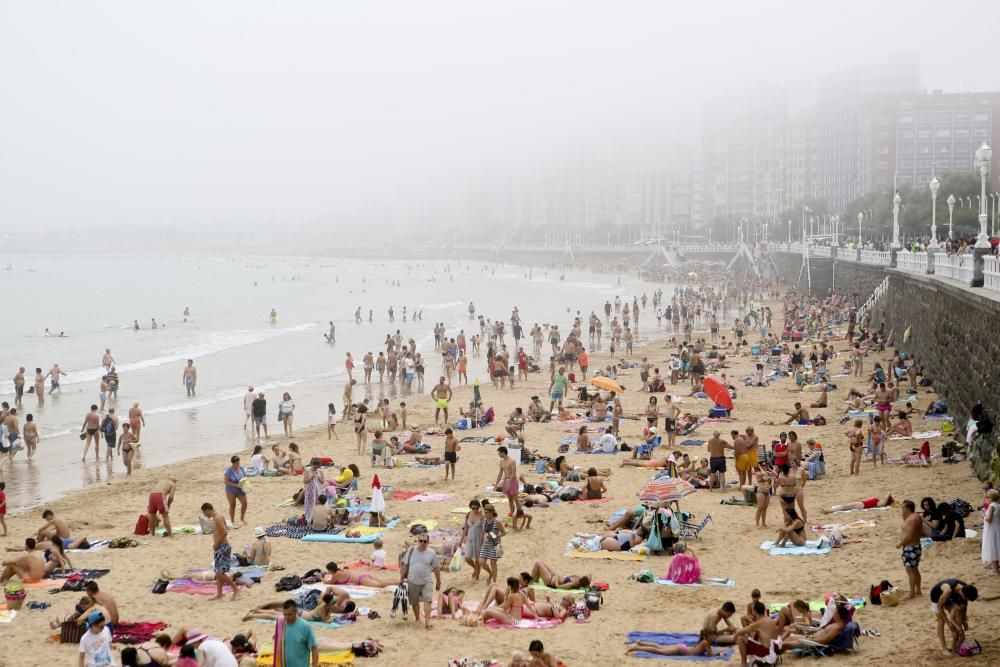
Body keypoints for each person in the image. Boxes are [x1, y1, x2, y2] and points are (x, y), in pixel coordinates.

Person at [400, 531, 441, 629]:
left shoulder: (432, 553)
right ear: (417, 541)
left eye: (425, 541)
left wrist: (438, 581)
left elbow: (436, 568)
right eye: (420, 541)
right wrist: (401, 578)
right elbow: (405, 565)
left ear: (428, 542)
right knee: (415, 602)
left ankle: (427, 622)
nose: (422, 543)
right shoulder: (411, 550)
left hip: (427, 580)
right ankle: (417, 618)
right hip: (412, 580)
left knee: (428, 600)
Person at [201, 502, 239, 600]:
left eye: (204, 513)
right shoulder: (217, 517)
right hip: (220, 547)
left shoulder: (217, 518)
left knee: (221, 573)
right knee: (217, 572)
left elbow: (224, 532)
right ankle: (219, 594)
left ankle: (236, 589)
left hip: (223, 547)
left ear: (207, 510)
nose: (205, 515)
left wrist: (216, 543)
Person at [930, 579, 978, 655]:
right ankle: (944, 649)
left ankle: (955, 644)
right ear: (963, 595)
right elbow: (939, 606)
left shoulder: (966, 587)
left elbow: (965, 606)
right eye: (967, 599)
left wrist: (964, 620)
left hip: (950, 597)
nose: (966, 600)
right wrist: (948, 623)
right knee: (941, 621)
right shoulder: (947, 591)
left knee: (956, 616)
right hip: (937, 597)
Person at [734, 601, 782, 667]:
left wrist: (735, 638)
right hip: (774, 651)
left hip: (765, 654)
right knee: (755, 635)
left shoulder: (758, 623)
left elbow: (740, 632)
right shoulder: (772, 620)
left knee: (740, 638)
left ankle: (743, 663)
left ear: (755, 612)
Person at [626, 628, 720, 657]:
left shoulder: (703, 641)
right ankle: (636, 648)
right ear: (709, 635)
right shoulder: (706, 643)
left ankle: (640, 643)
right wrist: (718, 654)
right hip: (681, 651)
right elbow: (710, 655)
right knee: (658, 651)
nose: (715, 637)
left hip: (682, 648)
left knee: (659, 647)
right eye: (714, 635)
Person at [897, 499, 924, 599]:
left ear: (908, 508)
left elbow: (909, 536)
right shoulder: (917, 516)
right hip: (916, 545)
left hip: (910, 547)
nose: (902, 509)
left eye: (903, 507)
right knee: (915, 569)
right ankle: (918, 590)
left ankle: (911, 593)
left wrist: (900, 543)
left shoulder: (911, 519)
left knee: (910, 571)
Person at [478, 505, 505, 585]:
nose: (485, 514)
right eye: (484, 512)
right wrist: (480, 544)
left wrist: (495, 536)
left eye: (487, 512)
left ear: (492, 512)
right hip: (486, 544)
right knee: (481, 562)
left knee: (493, 563)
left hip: (495, 544)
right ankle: (490, 574)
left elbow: (504, 532)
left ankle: (494, 580)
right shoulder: (484, 521)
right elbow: (482, 533)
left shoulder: (497, 522)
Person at [459, 499, 485, 581]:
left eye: (477, 508)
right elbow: (465, 528)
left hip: (478, 538)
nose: (475, 510)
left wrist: (481, 543)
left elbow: (483, 531)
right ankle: (475, 568)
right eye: (473, 508)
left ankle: (477, 576)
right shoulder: (468, 515)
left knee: (477, 559)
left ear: (479, 508)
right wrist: (461, 540)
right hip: (470, 537)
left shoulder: (482, 516)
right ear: (470, 507)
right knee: (467, 558)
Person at [495, 446, 520, 516]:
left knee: (516, 499)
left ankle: (519, 513)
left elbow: (514, 472)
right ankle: (512, 513)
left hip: (512, 481)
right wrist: (496, 483)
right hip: (506, 480)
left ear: (503, 453)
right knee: (510, 499)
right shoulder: (501, 462)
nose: (498, 454)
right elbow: (500, 473)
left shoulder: (512, 461)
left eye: (499, 453)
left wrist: (510, 481)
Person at [224, 456, 248, 525]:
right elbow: (226, 482)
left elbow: (245, 477)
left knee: (245, 502)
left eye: (239, 463)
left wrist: (245, 484)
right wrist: (235, 485)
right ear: (233, 463)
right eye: (237, 463)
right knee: (232, 505)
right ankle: (232, 521)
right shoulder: (229, 471)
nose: (238, 464)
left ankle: (242, 518)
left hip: (240, 489)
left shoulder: (241, 468)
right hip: (230, 489)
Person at [982, 489, 1000, 576]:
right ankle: (996, 568)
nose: (986, 499)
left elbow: (989, 519)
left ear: (991, 498)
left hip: (991, 530)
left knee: (992, 549)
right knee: (996, 547)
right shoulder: (998, 505)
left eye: (987, 497)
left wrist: (984, 515)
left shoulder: (992, 506)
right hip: (997, 528)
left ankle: (995, 571)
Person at [302, 460, 325, 524]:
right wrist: (311, 478)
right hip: (310, 490)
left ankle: (316, 517)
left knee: (317, 503)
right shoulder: (307, 471)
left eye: (316, 467)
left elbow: (322, 481)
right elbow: (304, 481)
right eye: (314, 467)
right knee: (309, 503)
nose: (315, 468)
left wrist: (318, 477)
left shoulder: (320, 471)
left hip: (318, 490)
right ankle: (309, 518)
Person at [820, 495, 894, 514]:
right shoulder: (879, 501)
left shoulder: (880, 503)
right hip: (861, 503)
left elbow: (885, 501)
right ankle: (829, 510)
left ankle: (828, 511)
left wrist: (890, 500)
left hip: (862, 505)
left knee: (845, 507)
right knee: (845, 506)